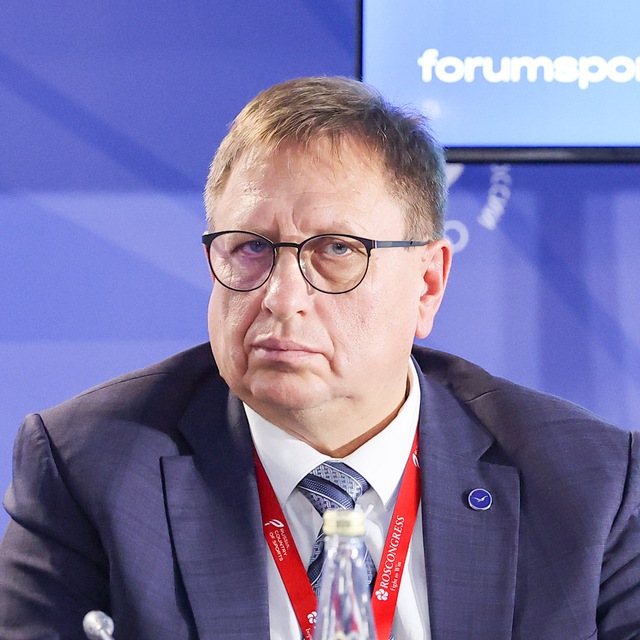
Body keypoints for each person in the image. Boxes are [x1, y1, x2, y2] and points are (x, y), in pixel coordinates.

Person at [0, 76, 639, 640]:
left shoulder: (587, 484)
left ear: (427, 284)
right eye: (250, 247)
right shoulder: (92, 467)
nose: (281, 298)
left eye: (336, 249)